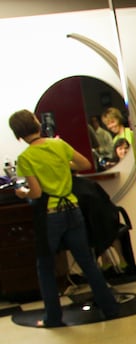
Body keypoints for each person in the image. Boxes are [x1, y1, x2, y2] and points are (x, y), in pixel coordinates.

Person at [9, 109, 119, 327]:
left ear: (18, 134)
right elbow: (84, 164)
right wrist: (60, 165)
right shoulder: (59, 145)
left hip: (50, 216)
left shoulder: (25, 158)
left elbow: (37, 193)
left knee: (46, 266)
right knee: (88, 262)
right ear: (37, 124)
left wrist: (22, 193)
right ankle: (110, 308)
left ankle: (53, 318)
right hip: (73, 210)